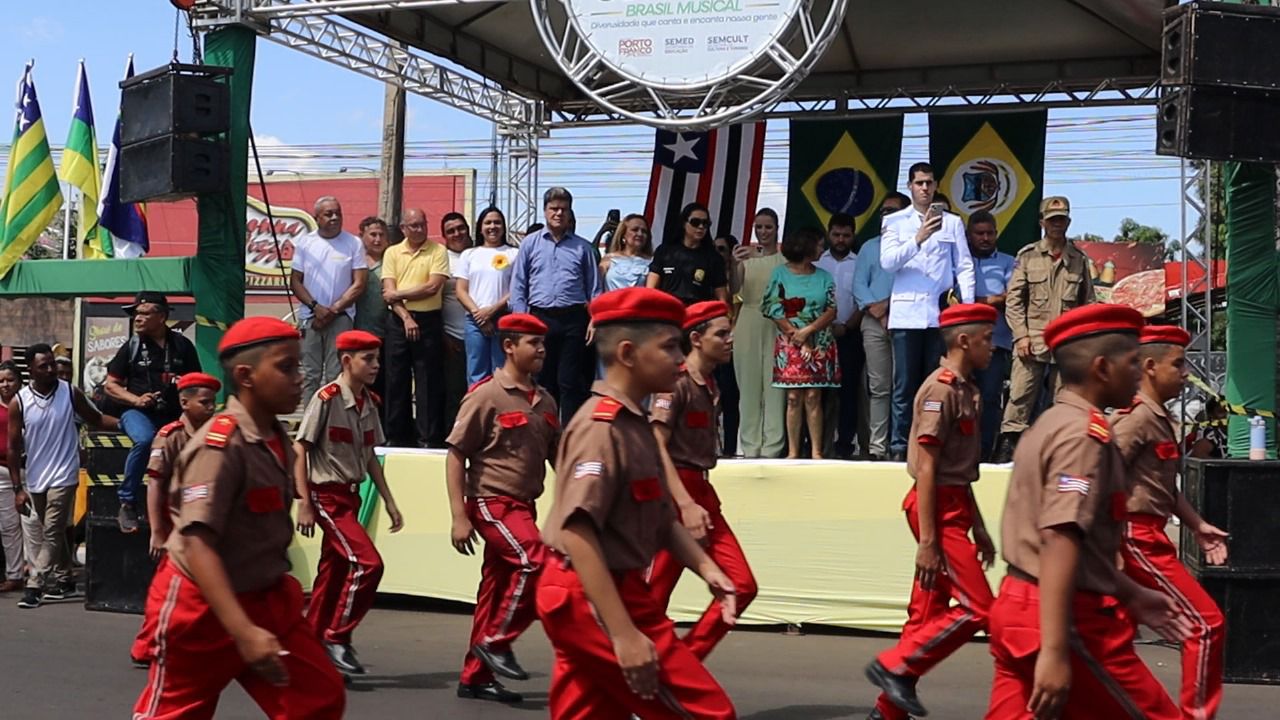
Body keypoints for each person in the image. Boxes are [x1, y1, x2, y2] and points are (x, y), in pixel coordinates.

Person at [536, 287, 736, 719]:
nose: (679, 359)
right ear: (627, 353)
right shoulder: (601, 429)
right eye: (668, 347)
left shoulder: (634, 423)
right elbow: (577, 530)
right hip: (593, 591)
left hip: (600, 590)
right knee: (708, 713)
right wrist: (624, 634)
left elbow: (661, 516)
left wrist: (707, 568)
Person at [983, 304, 1191, 720]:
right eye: (1132, 362)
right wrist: (1055, 651)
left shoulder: (1051, 422)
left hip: (1020, 607)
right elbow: (1060, 538)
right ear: (1102, 368)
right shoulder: (1084, 436)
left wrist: (1131, 593)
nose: (1140, 372)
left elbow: (1079, 544)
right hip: (1067, 619)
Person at [132, 317, 346, 719]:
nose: (299, 378)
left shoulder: (276, 438)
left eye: (299, 365)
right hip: (202, 609)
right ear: (246, 376)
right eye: (286, 367)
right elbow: (197, 543)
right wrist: (243, 631)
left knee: (318, 699)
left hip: (264, 598)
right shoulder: (220, 447)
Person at [865, 304, 997, 720]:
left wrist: (979, 526)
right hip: (935, 508)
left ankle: (887, 711)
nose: (993, 347)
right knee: (979, 607)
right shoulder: (941, 391)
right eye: (987, 339)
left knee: (926, 614)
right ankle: (896, 666)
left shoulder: (966, 389)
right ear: (964, 341)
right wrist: (928, 542)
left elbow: (960, 470)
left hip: (954, 505)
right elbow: (927, 468)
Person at [1113, 325, 1227, 720]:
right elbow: (1101, 478)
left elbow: (1161, 486)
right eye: (1177, 364)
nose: (1186, 373)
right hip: (1134, 537)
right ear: (1149, 366)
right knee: (1206, 625)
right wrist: (1107, 545)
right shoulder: (1135, 420)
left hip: (1149, 533)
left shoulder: (1158, 418)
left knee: (1111, 640)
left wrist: (1197, 525)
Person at [446, 313, 559, 704]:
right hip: (491, 502)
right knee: (535, 561)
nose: (541, 350)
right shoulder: (486, 395)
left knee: (494, 592)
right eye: (533, 343)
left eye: (543, 343)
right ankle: (496, 642)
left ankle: (475, 677)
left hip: (524, 507)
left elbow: (559, 458)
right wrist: (458, 516)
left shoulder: (545, 401)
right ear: (509, 346)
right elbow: (456, 454)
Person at [647, 300, 756, 660]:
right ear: (696, 339)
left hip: (701, 492)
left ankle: (683, 663)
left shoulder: (709, 383)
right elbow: (656, 447)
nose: (730, 339)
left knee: (740, 585)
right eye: (721, 334)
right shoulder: (675, 383)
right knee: (650, 598)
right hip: (674, 496)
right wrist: (683, 503)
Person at [294, 329, 404, 676]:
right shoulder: (326, 399)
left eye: (376, 359)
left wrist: (389, 500)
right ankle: (337, 636)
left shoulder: (369, 402)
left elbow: (370, 456)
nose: (375, 366)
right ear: (346, 361)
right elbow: (300, 448)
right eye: (367, 359)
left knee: (333, 573)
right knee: (368, 564)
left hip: (351, 497)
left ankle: (309, 650)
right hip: (327, 496)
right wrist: (304, 502)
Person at [10, 344, 118, 609]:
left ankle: (36, 583)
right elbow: (13, 447)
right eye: (44, 366)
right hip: (36, 476)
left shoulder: (70, 392)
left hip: (65, 473)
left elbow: (95, 418)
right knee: (55, 530)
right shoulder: (20, 402)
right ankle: (65, 578)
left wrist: (130, 424)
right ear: (31, 370)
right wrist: (18, 489)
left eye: (52, 364)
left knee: (52, 529)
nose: (51, 369)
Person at [881, 163, 975, 462]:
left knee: (937, 384)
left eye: (929, 183)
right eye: (919, 183)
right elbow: (888, 263)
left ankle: (932, 443)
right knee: (904, 385)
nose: (924, 188)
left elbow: (964, 266)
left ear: (935, 186)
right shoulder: (895, 221)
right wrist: (918, 238)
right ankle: (899, 447)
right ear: (909, 186)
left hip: (940, 314)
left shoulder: (952, 223)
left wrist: (967, 308)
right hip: (906, 313)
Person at [993, 196, 1096, 463]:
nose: (1057, 225)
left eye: (1061, 219)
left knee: (1065, 403)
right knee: (1019, 400)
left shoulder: (1079, 260)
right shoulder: (1027, 257)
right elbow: (1014, 301)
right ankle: (1007, 456)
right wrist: (1020, 336)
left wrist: (1081, 343)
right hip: (1032, 342)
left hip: (1066, 346)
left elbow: (1088, 304)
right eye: (1052, 220)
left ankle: (1060, 456)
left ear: (1068, 222)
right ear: (1042, 223)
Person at [131, 371, 221, 666]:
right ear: (184, 402)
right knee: (168, 589)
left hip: (204, 524)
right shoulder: (170, 436)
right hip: (176, 526)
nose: (211, 407)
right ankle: (147, 646)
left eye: (214, 402)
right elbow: (155, 484)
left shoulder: (215, 436)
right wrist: (157, 532)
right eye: (205, 402)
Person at [104, 292, 202, 533]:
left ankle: (188, 505)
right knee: (146, 439)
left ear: (162, 317)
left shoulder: (182, 346)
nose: (137, 318)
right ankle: (127, 503)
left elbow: (196, 384)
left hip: (172, 414)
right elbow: (110, 385)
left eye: (144, 313)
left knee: (193, 446)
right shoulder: (132, 347)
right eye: (136, 314)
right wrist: (136, 400)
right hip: (135, 413)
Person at [509, 187, 602, 423]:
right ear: (545, 211)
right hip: (540, 319)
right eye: (554, 209)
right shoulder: (530, 244)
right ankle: (544, 431)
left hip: (574, 320)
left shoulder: (583, 248)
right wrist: (522, 321)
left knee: (570, 381)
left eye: (564, 209)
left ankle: (569, 434)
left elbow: (594, 289)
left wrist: (595, 320)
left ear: (570, 213)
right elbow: (518, 285)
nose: (559, 213)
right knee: (543, 380)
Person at [763, 229, 840, 459]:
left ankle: (816, 452)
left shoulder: (824, 276)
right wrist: (795, 335)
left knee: (814, 396)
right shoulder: (780, 273)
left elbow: (831, 310)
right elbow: (771, 307)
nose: (822, 249)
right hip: (790, 342)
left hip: (819, 342)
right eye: (819, 245)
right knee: (793, 397)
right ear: (806, 247)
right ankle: (793, 451)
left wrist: (808, 331)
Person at [382, 207, 451, 447]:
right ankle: (396, 436)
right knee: (395, 379)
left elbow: (432, 287)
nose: (420, 229)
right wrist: (405, 317)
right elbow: (387, 293)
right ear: (403, 228)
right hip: (398, 320)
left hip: (429, 320)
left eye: (423, 224)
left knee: (428, 381)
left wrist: (399, 294)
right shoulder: (392, 252)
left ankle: (428, 438)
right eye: (414, 225)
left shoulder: (438, 250)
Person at [290, 196, 369, 403]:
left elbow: (359, 283)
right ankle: (311, 420)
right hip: (311, 317)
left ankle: (334, 419)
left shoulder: (353, 243)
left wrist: (332, 311)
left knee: (337, 375)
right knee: (311, 375)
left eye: (338, 213)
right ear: (317, 218)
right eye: (328, 214)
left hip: (341, 318)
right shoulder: (305, 243)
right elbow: (296, 281)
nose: (335, 217)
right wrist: (315, 307)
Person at [853, 193, 910, 461]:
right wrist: (876, 311)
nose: (886, 216)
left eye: (892, 211)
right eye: (883, 211)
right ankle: (877, 447)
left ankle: (900, 445)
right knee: (878, 387)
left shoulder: (912, 246)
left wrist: (888, 306)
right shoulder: (869, 247)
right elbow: (858, 284)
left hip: (906, 320)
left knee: (903, 386)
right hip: (873, 322)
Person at [732, 208, 786, 458]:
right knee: (748, 386)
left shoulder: (784, 260)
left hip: (778, 322)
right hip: (749, 319)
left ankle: (772, 446)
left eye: (768, 227)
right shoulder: (745, 258)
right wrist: (734, 264)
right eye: (759, 227)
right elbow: (735, 289)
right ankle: (749, 446)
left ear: (777, 229)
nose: (763, 232)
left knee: (775, 387)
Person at [967, 210, 1016, 460]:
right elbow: (951, 298)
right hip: (962, 343)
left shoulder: (1009, 262)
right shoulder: (960, 261)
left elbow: (1010, 297)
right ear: (969, 235)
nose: (985, 238)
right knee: (961, 397)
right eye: (980, 233)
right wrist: (991, 300)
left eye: (990, 233)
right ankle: (960, 452)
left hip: (996, 341)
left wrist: (973, 302)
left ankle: (984, 453)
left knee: (989, 397)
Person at [816, 212, 863, 459]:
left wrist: (847, 326)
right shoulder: (818, 261)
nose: (841, 240)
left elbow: (863, 300)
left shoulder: (859, 263)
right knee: (818, 392)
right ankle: (816, 445)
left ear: (853, 235)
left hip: (850, 333)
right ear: (829, 234)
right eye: (836, 235)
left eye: (846, 235)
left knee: (848, 393)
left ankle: (845, 445)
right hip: (819, 336)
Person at [455, 207, 520, 384]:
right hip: (474, 321)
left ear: (504, 227)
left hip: (503, 319)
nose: (492, 227)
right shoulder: (469, 254)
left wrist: (492, 310)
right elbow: (461, 290)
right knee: (476, 373)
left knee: (503, 371)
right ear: (480, 227)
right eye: (488, 223)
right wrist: (479, 315)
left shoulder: (514, 254)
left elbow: (517, 289)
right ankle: (478, 402)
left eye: (497, 222)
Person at [646, 202, 730, 305]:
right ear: (684, 223)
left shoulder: (713, 257)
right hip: (666, 308)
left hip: (697, 310)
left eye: (705, 223)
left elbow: (721, 297)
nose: (701, 227)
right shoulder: (664, 251)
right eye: (695, 222)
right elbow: (651, 288)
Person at [440, 212, 474, 434]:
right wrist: (442, 335)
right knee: (453, 393)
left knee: (478, 392)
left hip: (480, 333)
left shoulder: (479, 254)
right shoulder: (440, 258)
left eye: (461, 228)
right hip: (451, 336)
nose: (457, 234)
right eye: (451, 231)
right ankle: (452, 438)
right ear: (444, 236)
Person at [353, 217, 391, 412]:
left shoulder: (392, 261)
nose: (377, 239)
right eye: (373, 235)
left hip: (387, 334)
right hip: (360, 332)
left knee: (384, 385)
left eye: (381, 235)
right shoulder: (355, 261)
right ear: (362, 236)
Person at [711, 234, 741, 457]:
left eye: (721, 249)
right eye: (715, 249)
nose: (717, 254)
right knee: (711, 397)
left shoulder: (738, 277)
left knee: (731, 399)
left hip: (734, 342)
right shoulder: (708, 275)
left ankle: (730, 448)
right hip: (710, 343)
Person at [0, 361, 23, 594]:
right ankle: (14, 574)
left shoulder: (28, 403)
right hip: (2, 472)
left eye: (10, 380)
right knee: (8, 526)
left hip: (27, 470)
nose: (5, 384)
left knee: (29, 525)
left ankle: (30, 573)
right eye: (1, 381)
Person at [600, 213, 653, 291]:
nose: (640, 234)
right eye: (635, 230)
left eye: (644, 231)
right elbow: (596, 289)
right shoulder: (608, 259)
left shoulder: (652, 262)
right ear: (623, 234)